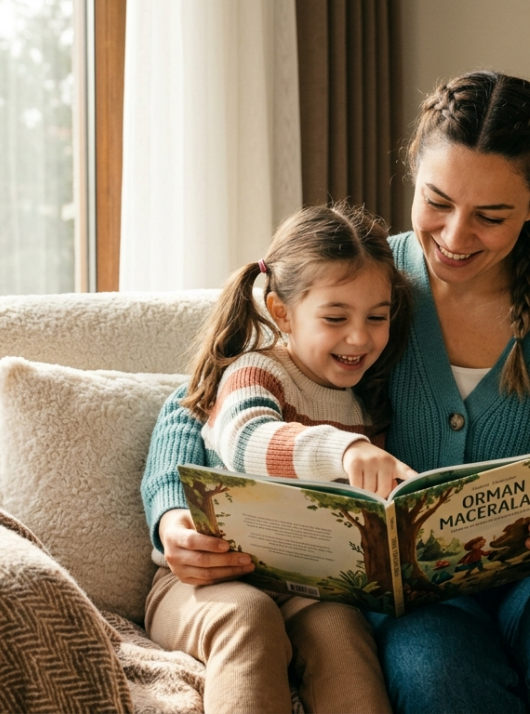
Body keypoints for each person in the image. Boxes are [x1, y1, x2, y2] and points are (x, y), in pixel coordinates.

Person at [143, 71, 530, 713]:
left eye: (490, 216)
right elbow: (204, 400)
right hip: (424, 600)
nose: (455, 238)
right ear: (411, 175)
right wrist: (173, 513)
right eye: (437, 202)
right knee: (434, 676)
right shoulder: (365, 281)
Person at [141, 203, 414, 714]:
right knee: (249, 618)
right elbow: (248, 443)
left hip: (307, 589)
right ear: (282, 311)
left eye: (377, 317)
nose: (360, 337)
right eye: (336, 318)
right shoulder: (255, 373)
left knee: (341, 629)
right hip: (199, 583)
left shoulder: (365, 400)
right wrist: (344, 447)